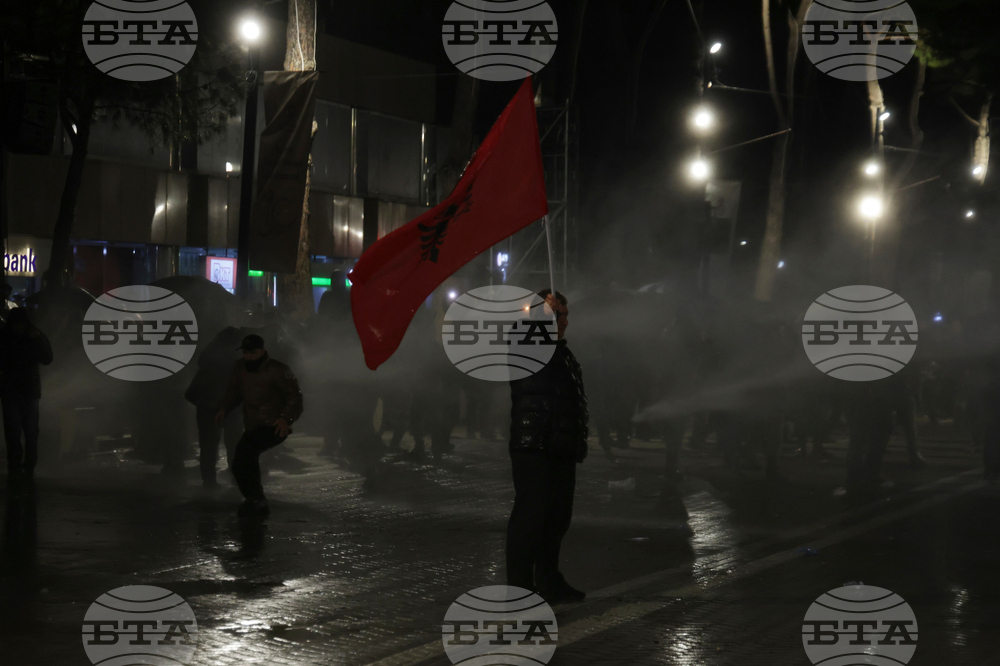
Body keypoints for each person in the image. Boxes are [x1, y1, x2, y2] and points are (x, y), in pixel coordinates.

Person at [506, 290, 588, 604]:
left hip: (560, 447)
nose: (564, 321)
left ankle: (549, 578)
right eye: (557, 315)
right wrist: (540, 318)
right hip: (534, 446)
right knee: (529, 518)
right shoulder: (526, 344)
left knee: (557, 517)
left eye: (565, 315)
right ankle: (520, 590)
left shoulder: (562, 353)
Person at [216, 334, 303, 517]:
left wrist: (285, 419)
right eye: (245, 353)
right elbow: (234, 392)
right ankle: (255, 497)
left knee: (245, 456)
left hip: (274, 425)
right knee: (243, 461)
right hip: (254, 424)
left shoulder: (278, 370)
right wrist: (224, 408)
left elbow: (294, 397)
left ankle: (256, 498)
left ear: (262, 351)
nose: (248, 357)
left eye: (252, 353)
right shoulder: (240, 367)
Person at [185, 327, 243, 488]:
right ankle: (235, 477)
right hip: (231, 406)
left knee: (208, 445)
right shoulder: (238, 358)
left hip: (206, 405)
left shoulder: (209, 356)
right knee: (234, 443)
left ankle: (209, 480)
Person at [0, 308, 54, 479]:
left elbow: (47, 358)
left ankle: (18, 465)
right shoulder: (32, 335)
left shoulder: (6, 335)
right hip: (25, 390)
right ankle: (25, 465)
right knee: (25, 430)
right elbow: (47, 358)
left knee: (17, 430)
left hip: (15, 390)